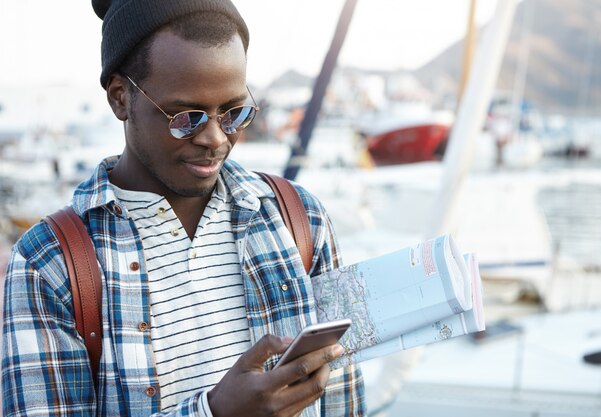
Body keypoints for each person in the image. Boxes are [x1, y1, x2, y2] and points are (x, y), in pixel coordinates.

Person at [1, 1, 366, 415]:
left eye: (234, 112)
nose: (215, 138)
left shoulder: (300, 219)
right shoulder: (51, 262)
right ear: (121, 98)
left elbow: (343, 400)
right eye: (186, 117)